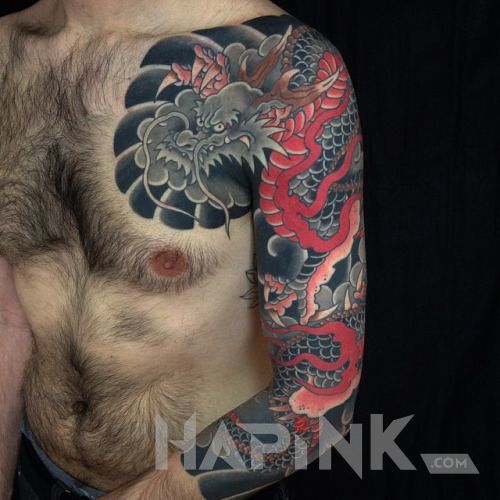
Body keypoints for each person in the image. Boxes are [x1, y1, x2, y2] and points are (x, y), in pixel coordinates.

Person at [0, 0, 366, 498]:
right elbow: (8, 317)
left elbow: (318, 397)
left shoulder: (287, 71)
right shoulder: (11, 51)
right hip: (33, 469)